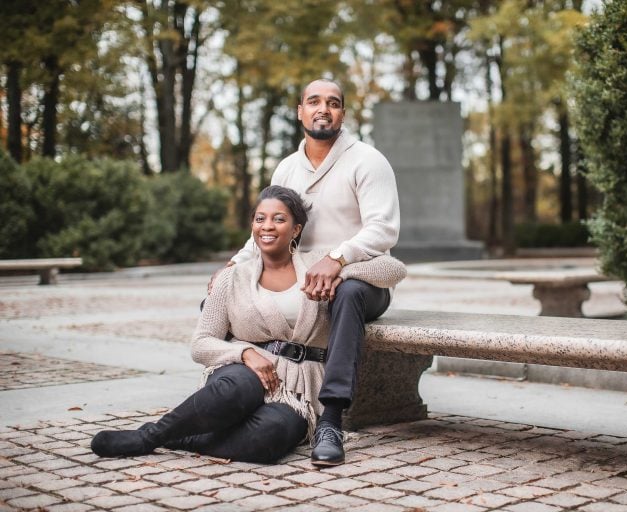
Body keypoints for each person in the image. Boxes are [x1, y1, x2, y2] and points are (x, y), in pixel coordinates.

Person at [90, 186, 406, 463]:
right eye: (260, 219)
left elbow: (394, 269)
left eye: (279, 219)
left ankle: (182, 437)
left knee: (271, 436)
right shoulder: (231, 278)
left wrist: (338, 270)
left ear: (296, 229)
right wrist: (243, 355)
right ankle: (149, 437)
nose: (267, 226)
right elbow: (200, 344)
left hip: (295, 391)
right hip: (243, 372)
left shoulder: (317, 263)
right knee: (234, 390)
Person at [220, 78, 400, 466]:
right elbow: (270, 227)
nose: (324, 109)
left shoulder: (368, 161)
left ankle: (330, 418)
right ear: (300, 111)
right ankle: (237, 393)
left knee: (347, 293)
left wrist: (337, 259)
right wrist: (234, 265)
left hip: (362, 279)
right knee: (226, 294)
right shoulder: (287, 168)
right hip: (300, 282)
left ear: (343, 114)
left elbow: (383, 230)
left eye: (333, 103)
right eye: (314, 101)